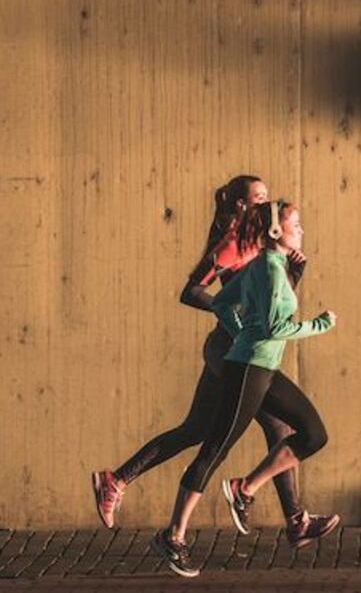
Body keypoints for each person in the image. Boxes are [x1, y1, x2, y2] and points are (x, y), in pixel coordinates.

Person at [90, 178, 335, 564]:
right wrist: (243, 320)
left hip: (246, 350)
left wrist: (293, 277)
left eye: (267, 198)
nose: (266, 203)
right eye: (258, 198)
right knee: (271, 431)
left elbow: (276, 303)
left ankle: (117, 480)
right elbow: (194, 292)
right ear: (239, 206)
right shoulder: (234, 245)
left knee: (200, 429)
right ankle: (282, 516)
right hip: (231, 350)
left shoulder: (266, 247)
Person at [149, 200, 337, 577]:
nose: (301, 229)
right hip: (249, 370)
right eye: (294, 224)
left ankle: (245, 487)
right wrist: (320, 324)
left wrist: (241, 335)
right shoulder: (267, 268)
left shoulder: (270, 266)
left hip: (259, 365)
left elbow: (221, 303)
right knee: (214, 449)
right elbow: (273, 329)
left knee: (314, 434)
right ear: (274, 232)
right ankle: (173, 536)